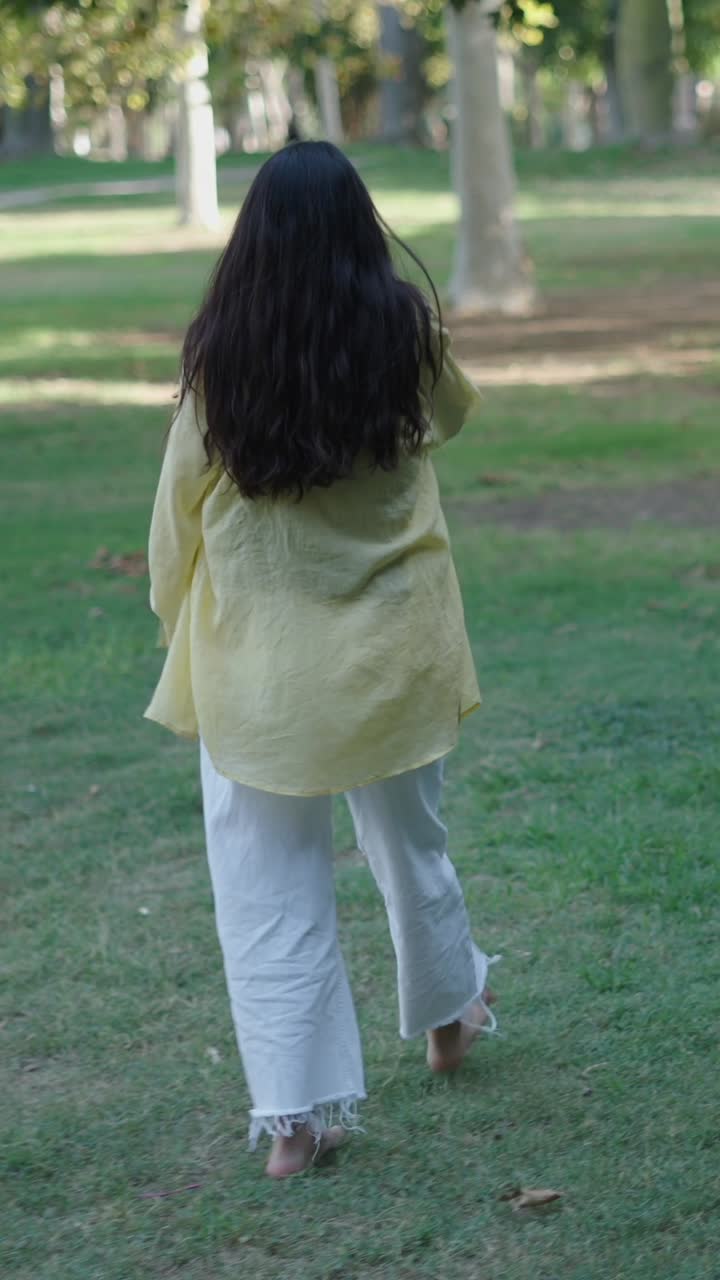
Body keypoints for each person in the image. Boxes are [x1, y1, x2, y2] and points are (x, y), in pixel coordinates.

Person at [145, 141, 498, 1180]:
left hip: (259, 664)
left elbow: (177, 520)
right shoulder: (405, 335)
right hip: (392, 653)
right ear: (360, 226)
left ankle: (293, 1126)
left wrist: (177, 618)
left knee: (265, 881)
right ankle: (449, 1018)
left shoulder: (222, 360)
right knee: (412, 846)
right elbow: (456, 415)